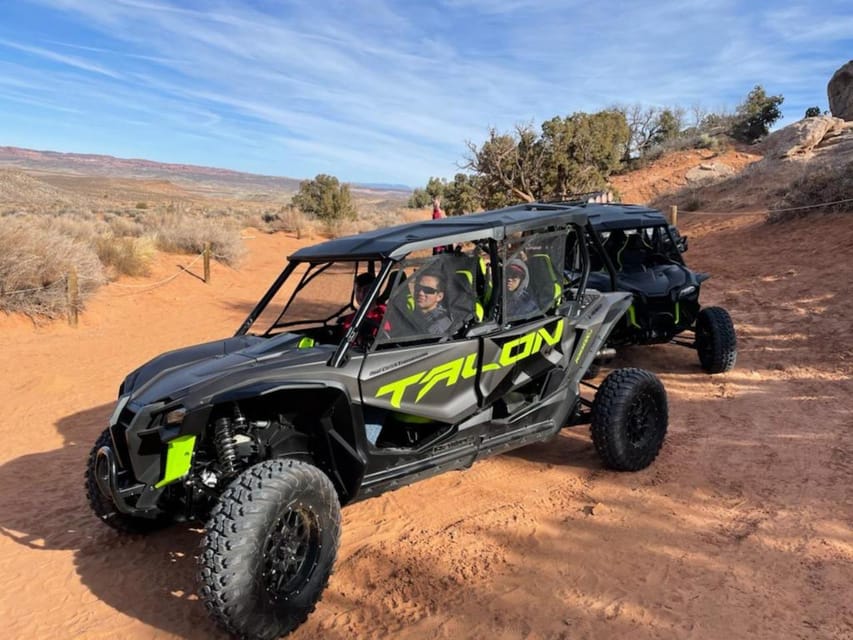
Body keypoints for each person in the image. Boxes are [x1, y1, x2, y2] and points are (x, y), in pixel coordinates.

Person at [339, 273, 386, 343]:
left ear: (377, 292)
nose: (361, 295)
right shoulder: (351, 318)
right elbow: (348, 341)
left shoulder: (386, 313)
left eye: (366, 290)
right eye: (358, 290)